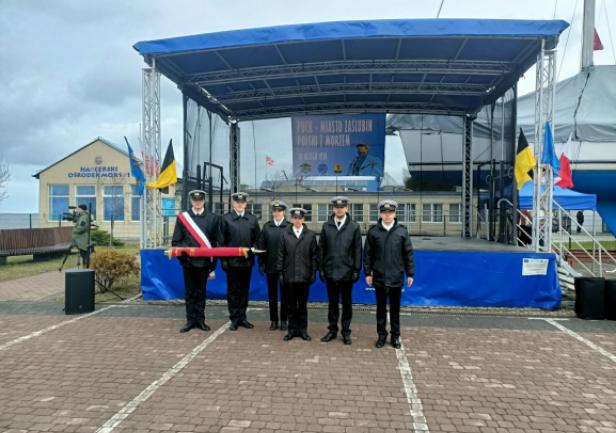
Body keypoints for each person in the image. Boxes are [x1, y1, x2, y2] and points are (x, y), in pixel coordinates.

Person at [364, 199, 414, 349]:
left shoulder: (402, 231)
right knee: (380, 309)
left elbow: (408, 254)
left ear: (395, 214)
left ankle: (395, 336)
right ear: (380, 214)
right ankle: (381, 335)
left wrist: (410, 273)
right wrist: (367, 273)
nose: (387, 215)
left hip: (396, 277)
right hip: (379, 277)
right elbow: (368, 254)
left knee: (395, 309)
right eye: (384, 212)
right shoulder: (373, 232)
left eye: (390, 212)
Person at [171, 190, 220, 333]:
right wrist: (184, 259)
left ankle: (200, 320)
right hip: (188, 262)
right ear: (191, 201)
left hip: (204, 263)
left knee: (201, 292)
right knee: (190, 293)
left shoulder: (213, 218)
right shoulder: (183, 218)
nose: (197, 203)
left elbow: (215, 243)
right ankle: (190, 320)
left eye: (200, 200)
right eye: (195, 200)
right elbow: (176, 241)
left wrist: (212, 265)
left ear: (204, 201)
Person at [319, 196, 362, 345]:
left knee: (347, 305)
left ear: (346, 208)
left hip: (347, 272)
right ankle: (332, 330)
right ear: (333, 209)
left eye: (342, 207)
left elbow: (357, 250)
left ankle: (346, 332)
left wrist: (356, 269)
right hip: (330, 271)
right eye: (337, 207)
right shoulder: (326, 226)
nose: (339, 210)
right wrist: (321, 269)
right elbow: (321, 249)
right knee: (332, 304)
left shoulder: (354, 227)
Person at [276, 208, 319, 342]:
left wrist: (313, 273)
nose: (297, 221)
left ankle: (303, 331)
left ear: (303, 219)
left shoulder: (310, 235)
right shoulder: (285, 234)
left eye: (300, 218)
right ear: (292, 219)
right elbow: (280, 255)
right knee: (291, 306)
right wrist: (280, 273)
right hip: (290, 276)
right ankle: (292, 331)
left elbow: (314, 256)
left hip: (304, 277)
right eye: (295, 218)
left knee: (302, 306)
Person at [220, 192, 260, 331]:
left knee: (244, 291)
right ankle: (234, 319)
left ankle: (243, 318)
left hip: (246, 263)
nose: (240, 204)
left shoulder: (252, 219)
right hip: (231, 263)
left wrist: (253, 251)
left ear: (246, 204)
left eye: (242, 202)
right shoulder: (226, 219)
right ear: (233, 203)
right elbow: (221, 242)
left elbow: (258, 240)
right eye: (237, 202)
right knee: (233, 291)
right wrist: (224, 260)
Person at [258, 200, 291, 331]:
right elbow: (261, 246)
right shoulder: (267, 227)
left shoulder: (289, 227)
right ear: (272, 212)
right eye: (275, 211)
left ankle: (284, 320)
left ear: (284, 212)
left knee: (285, 295)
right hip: (270, 266)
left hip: (285, 268)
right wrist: (261, 263)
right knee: (272, 295)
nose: (277, 213)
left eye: (280, 211)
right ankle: (273, 320)